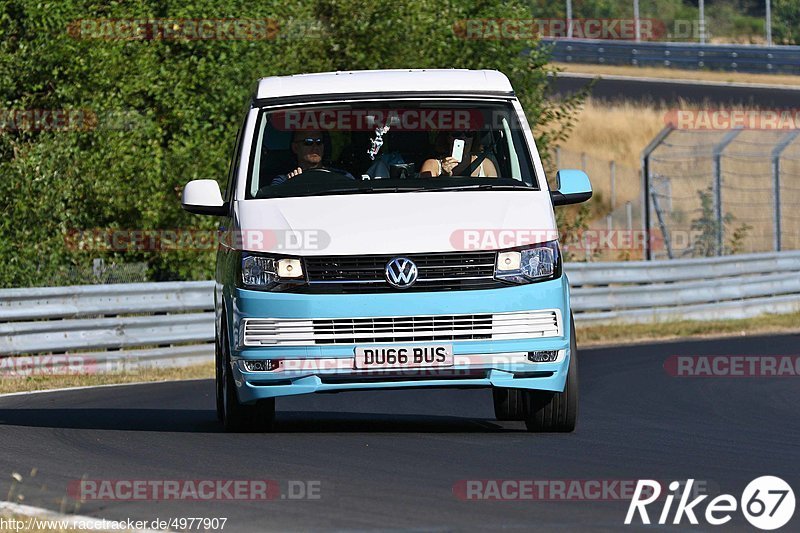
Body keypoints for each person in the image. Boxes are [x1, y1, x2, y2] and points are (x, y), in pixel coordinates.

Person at [271, 130, 353, 185]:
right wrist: (292, 186)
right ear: (295, 147)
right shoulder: (283, 181)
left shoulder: (343, 177)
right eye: (308, 142)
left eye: (319, 142)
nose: (315, 147)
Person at [420, 130, 497, 178]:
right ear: (448, 138)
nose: (463, 137)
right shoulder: (432, 165)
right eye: (457, 133)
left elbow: (496, 196)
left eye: (468, 133)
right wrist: (444, 176)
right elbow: (426, 198)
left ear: (474, 138)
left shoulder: (485, 165)